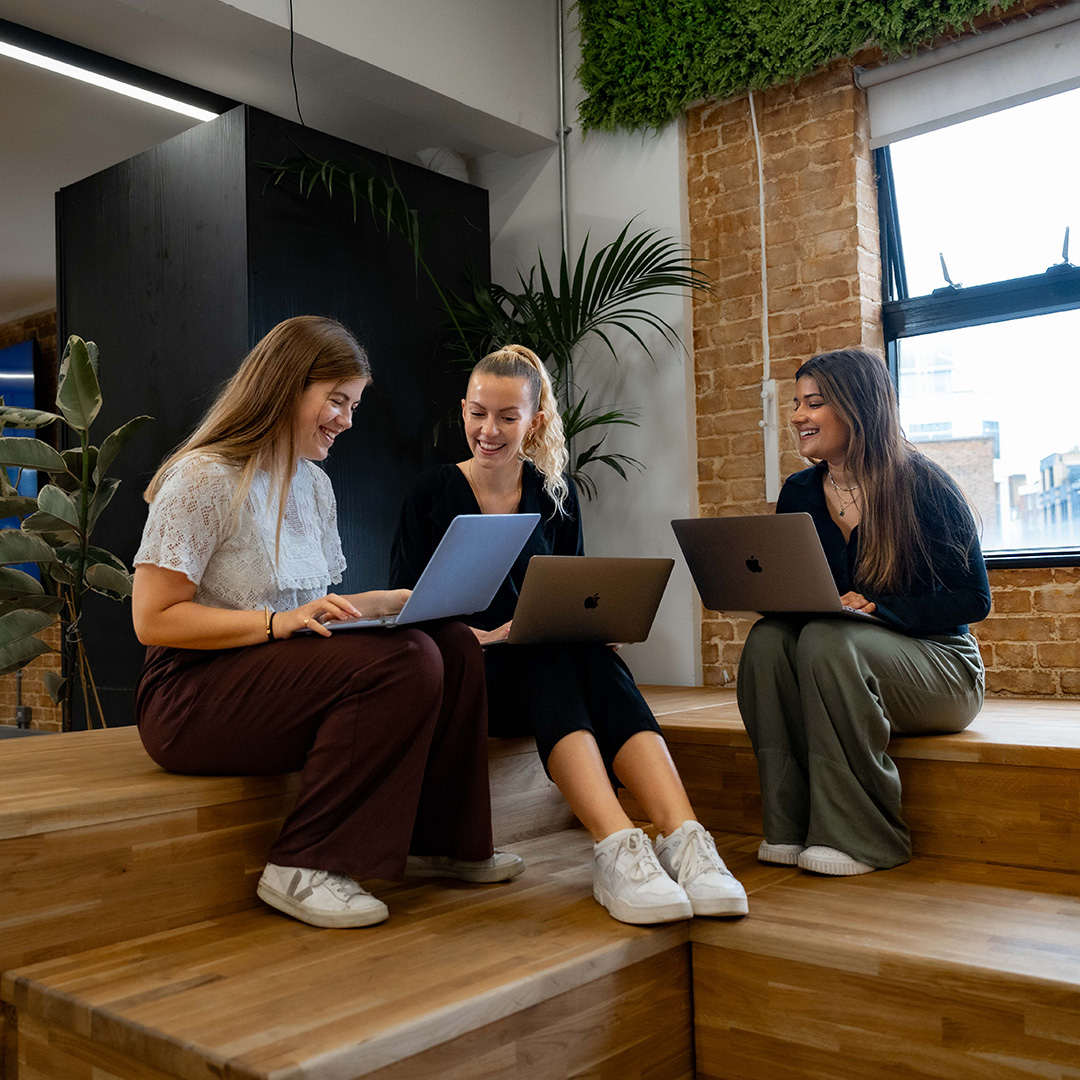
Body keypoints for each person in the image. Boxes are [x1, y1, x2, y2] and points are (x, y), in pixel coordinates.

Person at [131, 316, 522, 931]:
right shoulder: (204, 476)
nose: (346, 419)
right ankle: (303, 865)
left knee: (448, 641)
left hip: (270, 674)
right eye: (336, 401)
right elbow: (153, 619)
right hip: (190, 695)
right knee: (406, 662)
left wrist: (381, 603)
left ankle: (440, 840)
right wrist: (276, 623)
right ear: (287, 389)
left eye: (352, 404)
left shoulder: (313, 483)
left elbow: (308, 605)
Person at [389, 344, 747, 925]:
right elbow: (406, 611)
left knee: (586, 657)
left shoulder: (555, 495)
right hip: (466, 673)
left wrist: (593, 625)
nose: (490, 429)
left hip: (539, 667)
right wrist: (479, 639)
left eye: (508, 417)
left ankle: (686, 839)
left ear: (534, 421)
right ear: (462, 411)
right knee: (550, 657)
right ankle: (616, 846)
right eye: (479, 413)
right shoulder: (428, 495)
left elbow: (570, 592)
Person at [738, 348, 990, 876]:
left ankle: (862, 836)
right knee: (767, 641)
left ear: (857, 407)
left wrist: (881, 609)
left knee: (831, 640)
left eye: (814, 403)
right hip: (839, 651)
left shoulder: (924, 485)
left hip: (941, 664)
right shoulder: (800, 491)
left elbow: (973, 599)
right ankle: (788, 825)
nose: (798, 416)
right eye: (796, 404)